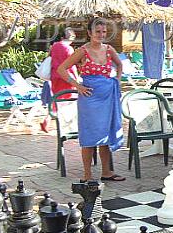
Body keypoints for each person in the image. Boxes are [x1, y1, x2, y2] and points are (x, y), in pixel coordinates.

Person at [57, 17, 125, 183]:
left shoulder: (109, 50)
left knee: (106, 133)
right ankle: (87, 175)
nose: (101, 35)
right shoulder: (82, 51)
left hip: (107, 96)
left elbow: (119, 65)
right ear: (89, 33)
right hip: (89, 98)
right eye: (97, 32)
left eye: (104, 32)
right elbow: (61, 69)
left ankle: (107, 172)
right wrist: (77, 86)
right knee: (89, 135)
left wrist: (117, 79)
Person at [41, 28, 77, 133]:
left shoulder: (55, 46)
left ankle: (47, 119)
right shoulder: (69, 49)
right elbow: (71, 66)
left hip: (54, 77)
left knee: (57, 99)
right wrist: (76, 78)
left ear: (62, 37)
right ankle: (66, 124)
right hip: (66, 78)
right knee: (69, 100)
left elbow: (49, 58)